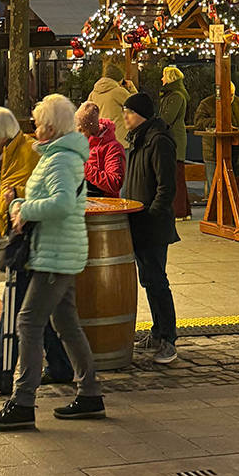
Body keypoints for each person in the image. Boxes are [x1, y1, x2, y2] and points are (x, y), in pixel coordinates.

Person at [0, 95, 105, 430]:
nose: (33, 128)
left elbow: (63, 204)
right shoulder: (58, 156)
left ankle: (23, 402)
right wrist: (20, 200)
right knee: (65, 323)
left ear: (50, 128)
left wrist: (24, 209)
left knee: (28, 323)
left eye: (37, 123)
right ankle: (90, 392)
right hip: (58, 251)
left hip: (55, 254)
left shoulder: (61, 160)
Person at [0, 108, 71, 393]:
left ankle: (0, 372)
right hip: (15, 238)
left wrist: (20, 197)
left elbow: (45, 193)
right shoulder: (1, 158)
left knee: (15, 307)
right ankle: (61, 365)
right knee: (27, 309)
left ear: (0, 134)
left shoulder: (29, 153)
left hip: (30, 240)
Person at [121, 90, 180, 367]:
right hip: (138, 220)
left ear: (140, 115)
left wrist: (154, 214)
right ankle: (157, 333)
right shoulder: (139, 139)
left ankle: (168, 338)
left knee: (157, 281)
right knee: (148, 280)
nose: (125, 117)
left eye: (129, 112)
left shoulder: (157, 141)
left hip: (152, 223)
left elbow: (166, 186)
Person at [194, 84, 239, 196]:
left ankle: (235, 212)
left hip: (235, 152)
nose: (230, 98)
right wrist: (219, 121)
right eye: (227, 95)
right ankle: (215, 213)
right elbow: (198, 123)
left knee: (237, 188)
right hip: (213, 153)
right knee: (215, 190)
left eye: (232, 95)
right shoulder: (206, 104)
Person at [158, 65, 192, 218]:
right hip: (174, 139)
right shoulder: (174, 94)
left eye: (164, 76)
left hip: (174, 141)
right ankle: (183, 210)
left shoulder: (175, 96)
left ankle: (179, 211)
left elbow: (167, 118)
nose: (161, 79)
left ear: (170, 78)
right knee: (177, 176)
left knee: (176, 177)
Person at [76, 101, 125, 196]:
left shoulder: (113, 148)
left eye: (82, 130)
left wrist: (85, 168)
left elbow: (115, 183)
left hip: (105, 204)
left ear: (92, 130)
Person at [88, 60, 132, 129]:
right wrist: (131, 87)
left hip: (102, 134)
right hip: (118, 134)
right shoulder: (118, 92)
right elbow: (136, 104)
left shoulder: (93, 93)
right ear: (119, 79)